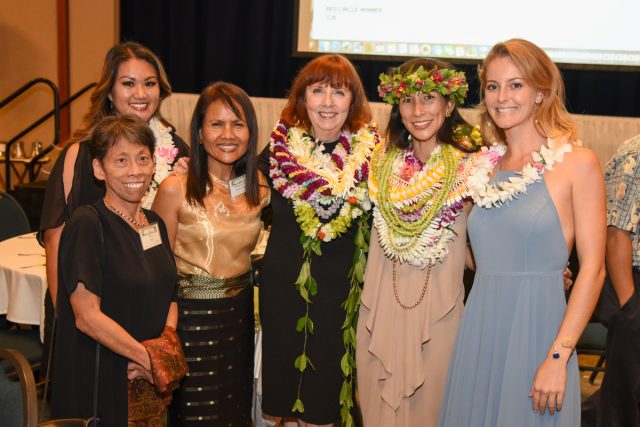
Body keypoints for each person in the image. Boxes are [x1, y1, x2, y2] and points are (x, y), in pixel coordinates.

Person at [438, 39, 606, 426]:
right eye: (493, 86)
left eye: (516, 85)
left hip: (538, 333)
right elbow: (471, 252)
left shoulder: (577, 164)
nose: (502, 97)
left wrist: (558, 357)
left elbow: (594, 270)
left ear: (540, 92)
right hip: (480, 332)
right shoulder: (480, 168)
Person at [356, 58, 482, 427]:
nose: (417, 110)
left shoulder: (471, 168)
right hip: (379, 309)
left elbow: (484, 244)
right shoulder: (378, 162)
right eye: (407, 100)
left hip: (438, 312)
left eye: (429, 98)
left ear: (450, 104)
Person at [258, 54, 380, 426]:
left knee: (327, 400)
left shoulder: (372, 156)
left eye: (339, 92)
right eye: (318, 90)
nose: (328, 102)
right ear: (303, 98)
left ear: (353, 101)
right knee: (289, 402)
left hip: (341, 296)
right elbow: (240, 201)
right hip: (285, 291)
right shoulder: (278, 153)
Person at [51, 114, 186, 426]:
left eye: (142, 158)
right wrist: (146, 359)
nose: (135, 170)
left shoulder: (154, 224)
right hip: (104, 372)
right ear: (99, 169)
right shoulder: (88, 223)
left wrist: (160, 351)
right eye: (121, 160)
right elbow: (87, 317)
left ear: (154, 163)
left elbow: (171, 296)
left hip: (146, 373)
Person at [152, 82, 270, 426]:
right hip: (188, 320)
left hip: (239, 316)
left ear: (251, 131)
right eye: (216, 124)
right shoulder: (175, 189)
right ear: (199, 133)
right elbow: (154, 271)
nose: (228, 134)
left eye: (238, 124)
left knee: (233, 412)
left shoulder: (259, 188)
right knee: (191, 415)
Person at [40, 41, 189, 308]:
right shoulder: (82, 155)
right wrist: (64, 314)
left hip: (151, 298)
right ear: (109, 91)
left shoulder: (177, 151)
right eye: (128, 84)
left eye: (150, 83)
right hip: (91, 300)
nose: (141, 94)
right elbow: (56, 241)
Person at [596, 133, 640, 425]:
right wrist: (631, 309)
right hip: (633, 285)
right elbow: (615, 234)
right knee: (626, 399)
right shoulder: (635, 154)